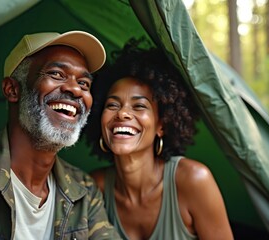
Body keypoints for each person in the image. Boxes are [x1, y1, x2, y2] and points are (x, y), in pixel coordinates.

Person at [0, 30, 121, 239]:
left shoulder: (84, 192)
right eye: (56, 74)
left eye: (84, 83)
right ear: (12, 90)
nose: (75, 90)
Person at [84, 39, 234, 240]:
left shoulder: (194, 181)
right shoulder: (96, 187)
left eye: (139, 106)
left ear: (161, 125)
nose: (123, 114)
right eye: (112, 105)